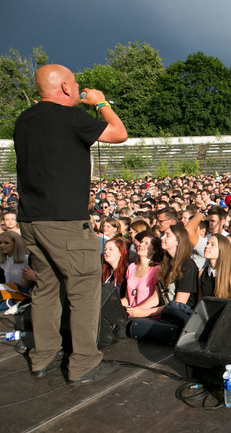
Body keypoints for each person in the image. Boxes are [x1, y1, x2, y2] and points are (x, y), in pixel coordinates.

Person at [15, 64, 127, 384]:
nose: (78, 87)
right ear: (65, 88)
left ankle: (43, 357)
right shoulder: (70, 118)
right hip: (64, 220)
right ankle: (84, 364)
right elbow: (119, 133)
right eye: (75, 83)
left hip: (29, 220)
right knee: (83, 289)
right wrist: (101, 103)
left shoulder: (24, 120)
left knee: (46, 288)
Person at [122, 231, 161, 308]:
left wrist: (137, 311)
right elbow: (127, 299)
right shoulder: (131, 267)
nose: (140, 245)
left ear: (154, 250)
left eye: (146, 243)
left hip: (147, 316)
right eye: (141, 242)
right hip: (131, 314)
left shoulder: (157, 269)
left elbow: (156, 299)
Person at [200, 234, 231, 300]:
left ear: (222, 249)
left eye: (212, 244)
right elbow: (200, 302)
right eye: (207, 243)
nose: (207, 246)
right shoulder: (202, 273)